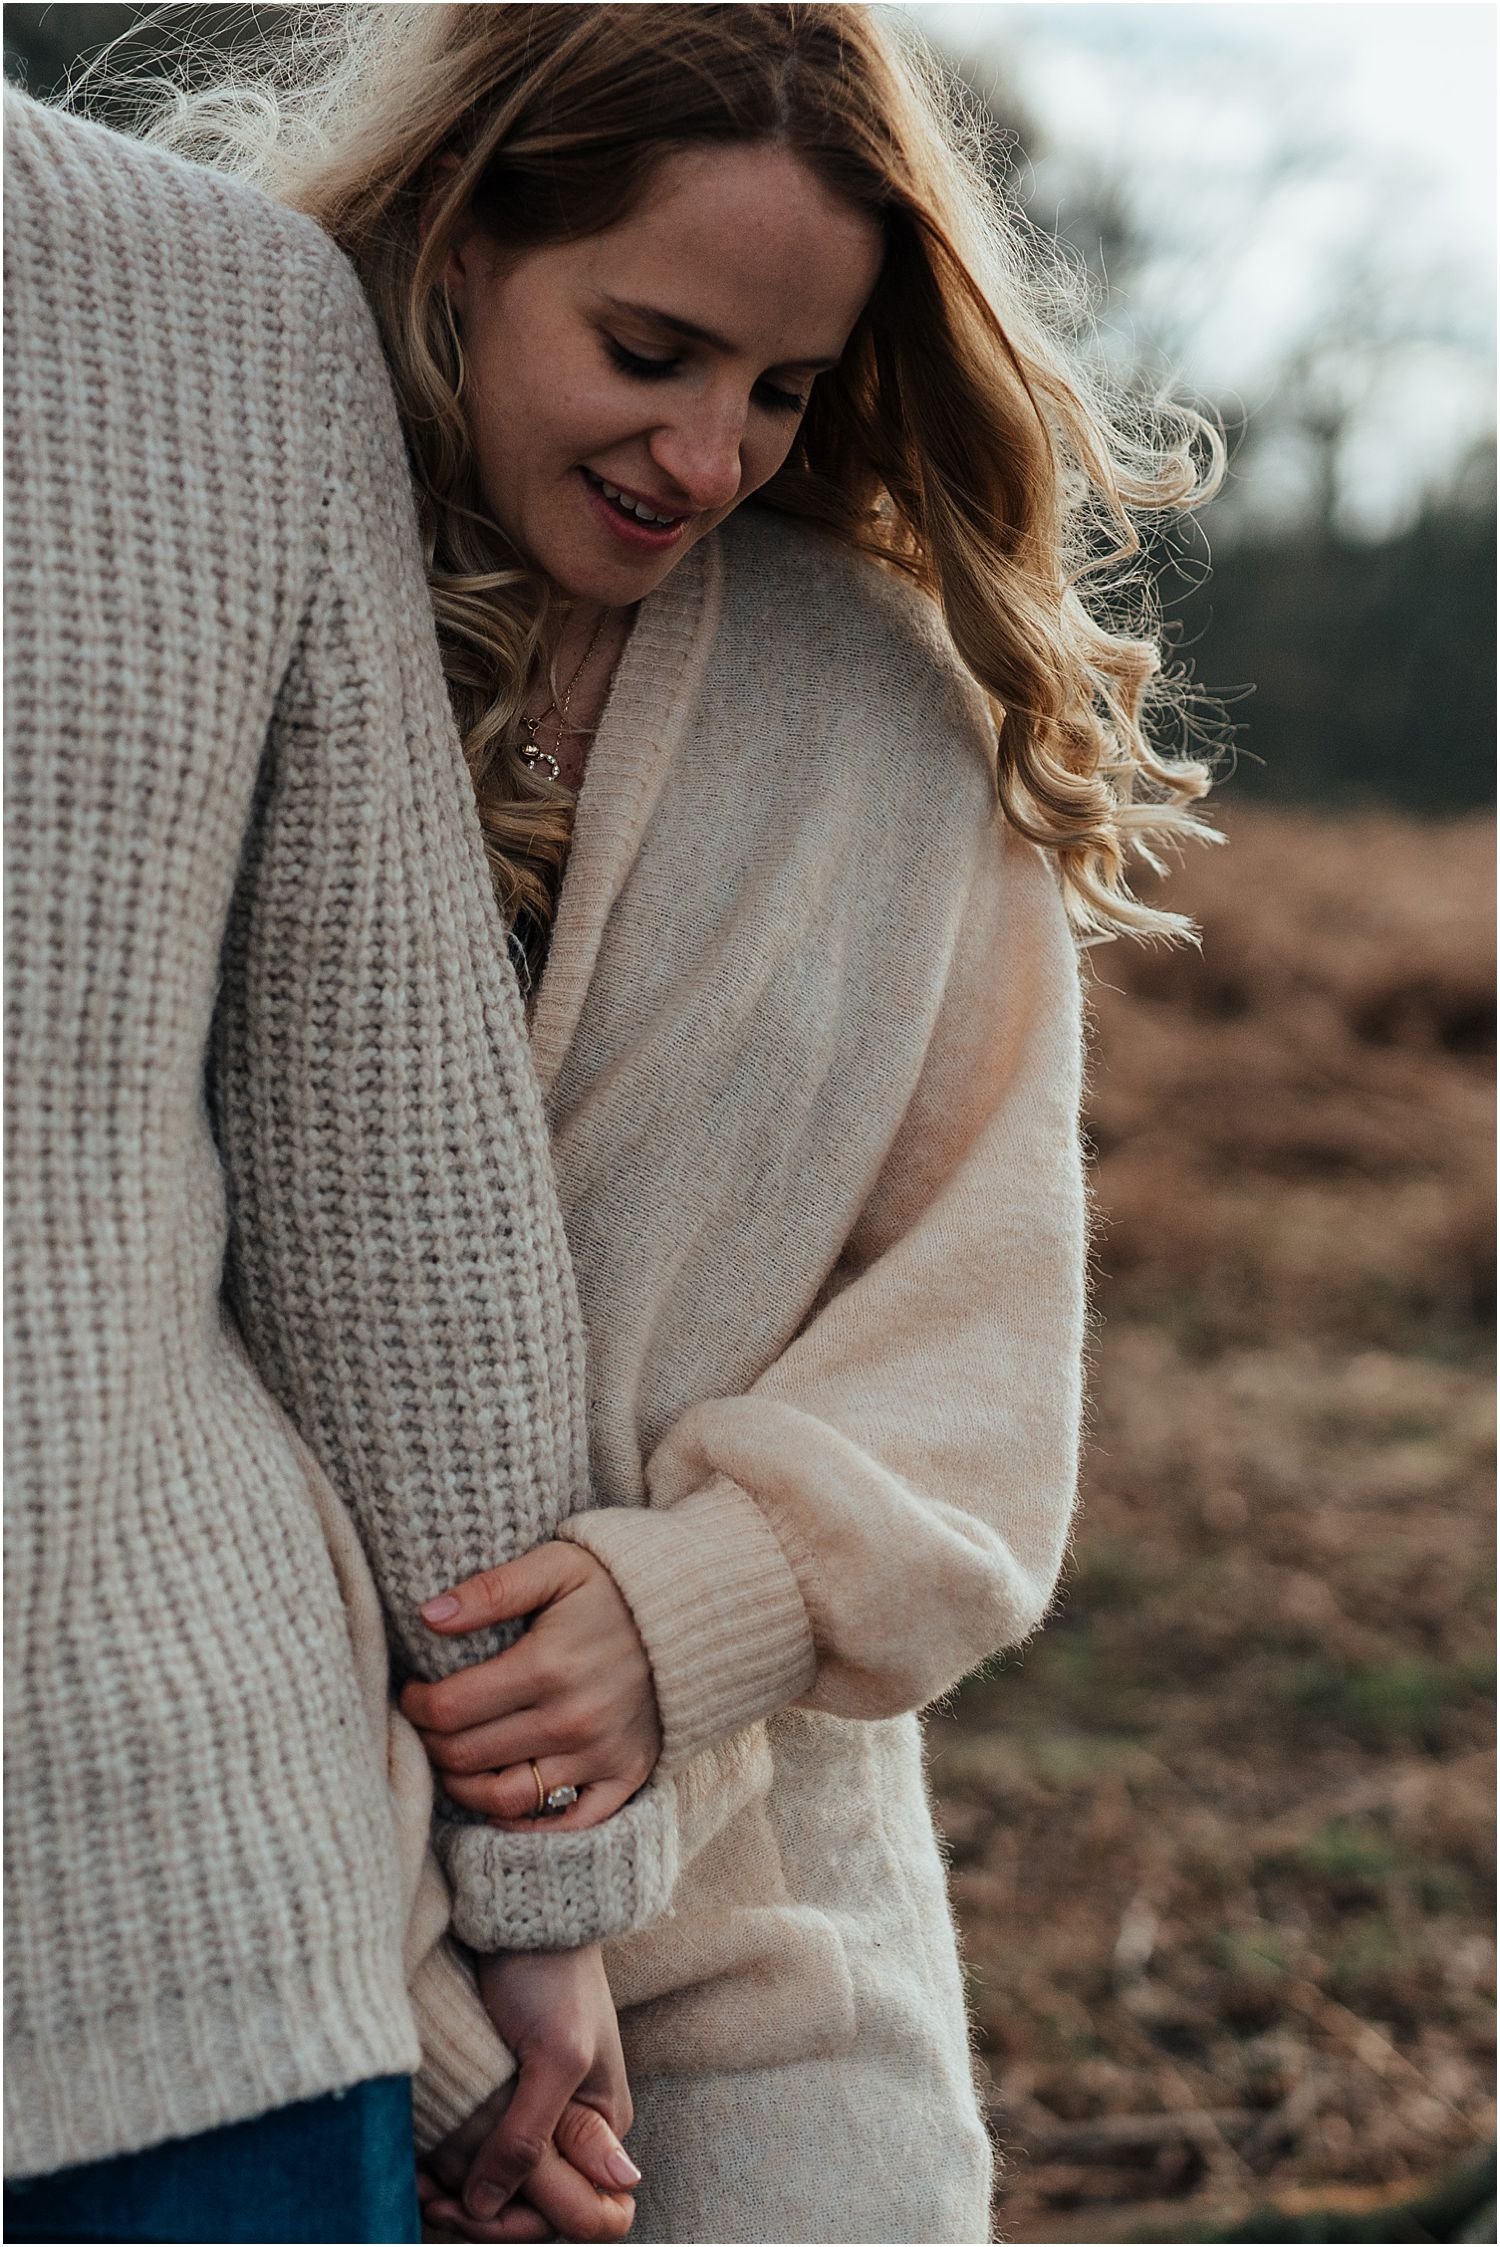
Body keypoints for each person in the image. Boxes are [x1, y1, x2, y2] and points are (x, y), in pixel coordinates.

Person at [142, 4, 1224, 2239]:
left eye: (785, 388)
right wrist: (446, 1989)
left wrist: (711, 1599)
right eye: (651, 345)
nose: (711, 449)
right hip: (225, 1892)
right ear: (455, 239)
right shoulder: (185, 621)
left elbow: (980, 1328)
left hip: (759, 1919)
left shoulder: (879, 719)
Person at [3, 83, 652, 2247]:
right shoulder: (226, 306)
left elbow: (393, 1171)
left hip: (165, 1946)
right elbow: (391, 1174)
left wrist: (535, 1891)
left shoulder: (227, 314)